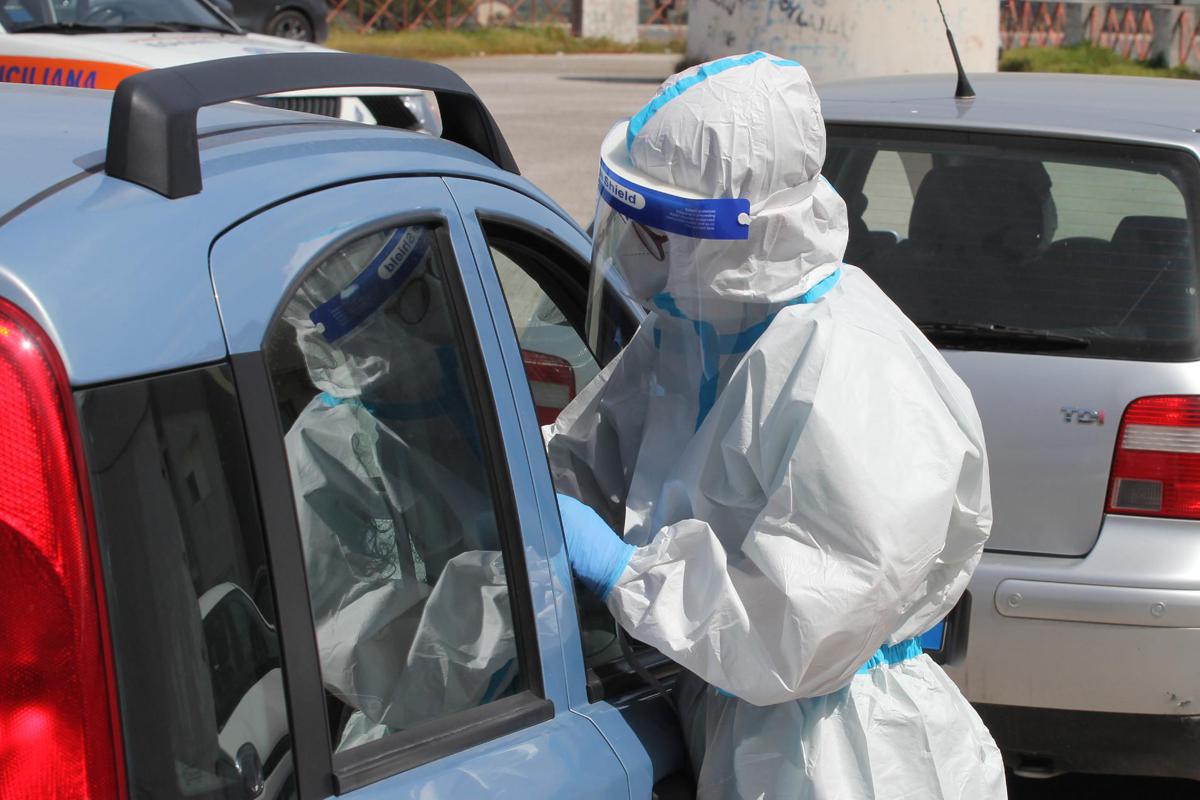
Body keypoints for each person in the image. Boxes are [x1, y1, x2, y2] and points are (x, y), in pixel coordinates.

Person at [546, 52, 1006, 798]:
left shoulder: (850, 366)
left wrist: (625, 571)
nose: (634, 248)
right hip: (731, 718)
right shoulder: (696, 332)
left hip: (847, 752)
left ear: (732, 231)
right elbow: (589, 456)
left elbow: (801, 631)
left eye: (656, 230)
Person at [281, 226, 517, 749]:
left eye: (431, 271)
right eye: (413, 293)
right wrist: (526, 580)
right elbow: (397, 671)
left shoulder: (470, 371)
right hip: (446, 745)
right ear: (361, 331)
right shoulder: (321, 461)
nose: (438, 295)